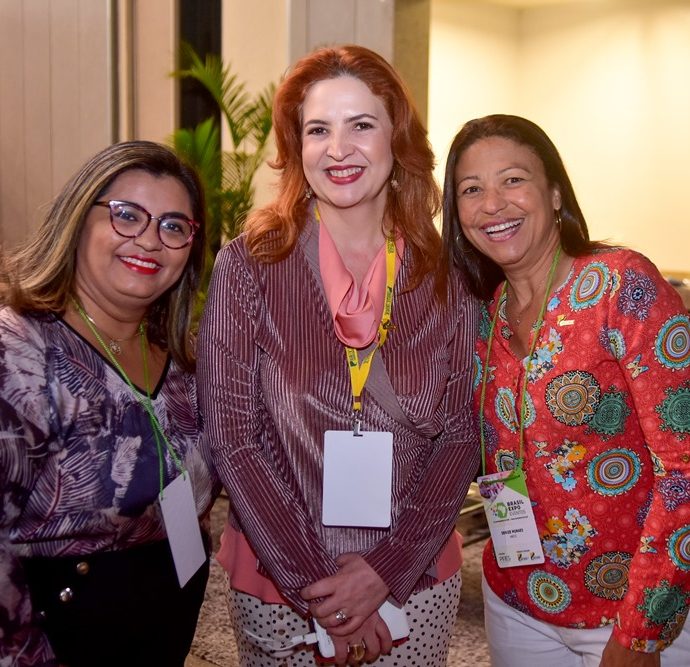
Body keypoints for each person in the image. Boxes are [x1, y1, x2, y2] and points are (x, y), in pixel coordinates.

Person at [197, 44, 479, 666]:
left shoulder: (447, 273)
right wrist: (320, 588)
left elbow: (461, 433)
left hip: (416, 576)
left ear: (396, 139)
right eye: (318, 129)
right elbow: (232, 435)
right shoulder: (248, 266)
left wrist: (386, 569)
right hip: (281, 580)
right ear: (297, 147)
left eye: (361, 125)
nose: (339, 148)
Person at [441, 114, 690, 667]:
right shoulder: (485, 318)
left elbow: (685, 467)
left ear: (554, 192)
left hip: (630, 613)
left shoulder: (623, 287)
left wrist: (641, 631)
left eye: (512, 180)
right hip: (516, 605)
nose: (492, 204)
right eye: (471, 189)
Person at [0, 141, 216, 667]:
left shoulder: (185, 365)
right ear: (77, 219)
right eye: (126, 215)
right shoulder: (21, 355)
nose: (149, 240)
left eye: (173, 226)